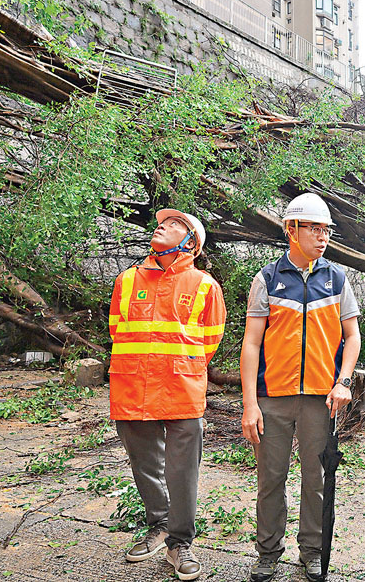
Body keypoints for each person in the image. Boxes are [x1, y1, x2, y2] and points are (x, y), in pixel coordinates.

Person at [240, 193, 361, 582]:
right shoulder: (268, 278)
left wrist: (343, 381)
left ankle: (311, 551)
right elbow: (252, 342)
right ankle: (268, 552)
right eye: (314, 228)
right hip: (271, 397)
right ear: (290, 230)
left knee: (318, 479)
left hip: (321, 399)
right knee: (270, 479)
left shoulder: (336, 278)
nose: (322, 237)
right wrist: (249, 404)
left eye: (326, 230)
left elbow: (354, 336)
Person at [109, 209, 226, 581]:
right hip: (131, 386)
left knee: (181, 471)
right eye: (162, 223)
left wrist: (180, 366)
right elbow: (118, 331)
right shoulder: (126, 280)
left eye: (176, 225)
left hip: (181, 388)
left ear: (190, 242)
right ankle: (158, 525)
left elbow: (211, 340)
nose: (163, 226)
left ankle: (180, 541)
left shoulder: (205, 285)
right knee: (144, 465)